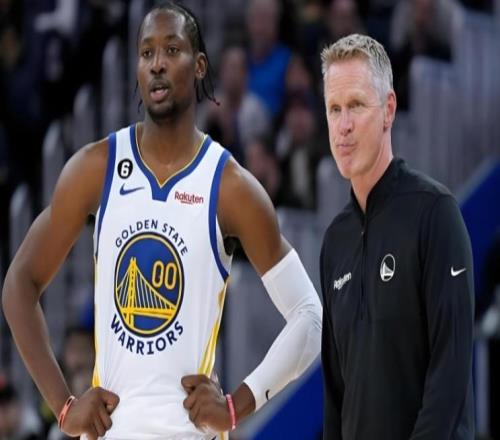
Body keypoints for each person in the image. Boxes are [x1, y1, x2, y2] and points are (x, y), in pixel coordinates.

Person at [1, 2, 322, 440]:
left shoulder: (230, 186)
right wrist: (63, 407)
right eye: (147, 52)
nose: (157, 64)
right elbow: (19, 284)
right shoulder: (95, 168)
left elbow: (309, 316)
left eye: (172, 50)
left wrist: (236, 406)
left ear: (199, 65)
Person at [319, 34, 474, 439]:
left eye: (356, 105)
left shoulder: (436, 213)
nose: (343, 125)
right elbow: (336, 396)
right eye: (334, 109)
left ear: (388, 110)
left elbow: (451, 371)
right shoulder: (335, 242)